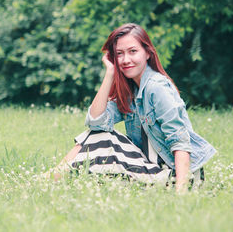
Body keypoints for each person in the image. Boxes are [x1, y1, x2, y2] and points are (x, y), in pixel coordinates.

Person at [49, 23, 216, 192]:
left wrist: (181, 191)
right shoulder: (130, 91)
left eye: (133, 51)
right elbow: (96, 123)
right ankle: (53, 177)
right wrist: (109, 73)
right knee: (96, 135)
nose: (126, 59)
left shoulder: (156, 87)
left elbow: (179, 141)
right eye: (119, 54)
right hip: (151, 169)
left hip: (176, 176)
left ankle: (50, 179)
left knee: (101, 143)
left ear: (148, 53)